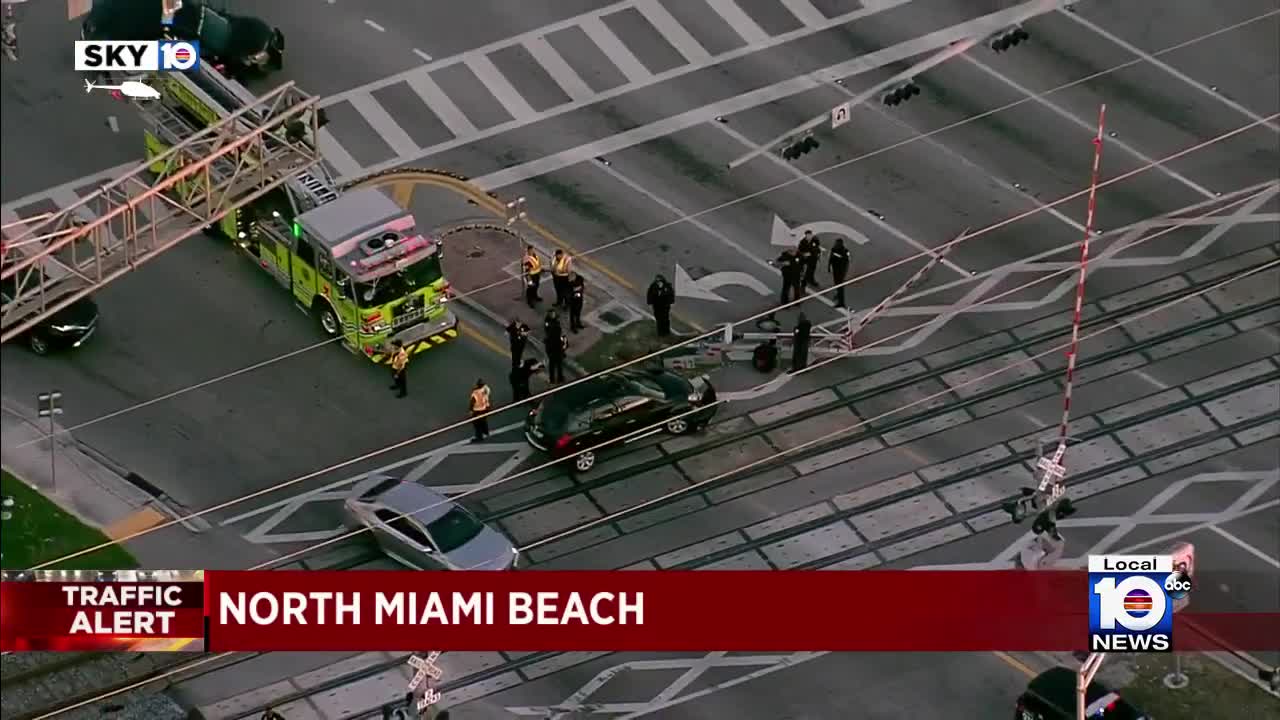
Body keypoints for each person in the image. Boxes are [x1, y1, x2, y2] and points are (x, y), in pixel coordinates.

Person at [828, 237, 850, 308]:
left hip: (841, 271)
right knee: (836, 284)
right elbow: (831, 258)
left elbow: (847, 261)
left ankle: (841, 302)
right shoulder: (834, 249)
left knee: (840, 286)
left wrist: (845, 271)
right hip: (835, 270)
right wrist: (829, 267)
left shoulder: (845, 251)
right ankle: (838, 294)